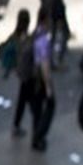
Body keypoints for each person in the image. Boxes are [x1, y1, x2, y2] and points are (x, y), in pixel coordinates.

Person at [30, 8, 55, 151]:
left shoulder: (35, 34)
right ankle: (38, 136)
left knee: (37, 111)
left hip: (33, 78)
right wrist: (48, 87)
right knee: (50, 106)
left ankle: (36, 136)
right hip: (40, 80)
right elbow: (44, 64)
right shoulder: (44, 39)